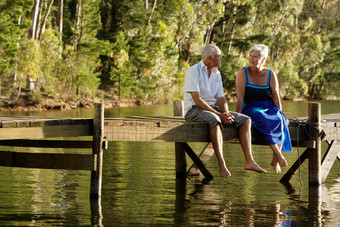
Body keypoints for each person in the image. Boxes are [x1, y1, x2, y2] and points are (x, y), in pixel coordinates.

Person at [183, 44, 266, 178]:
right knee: (214, 119)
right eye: (219, 56)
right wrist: (219, 115)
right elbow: (197, 101)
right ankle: (222, 164)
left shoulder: (217, 73)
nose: (221, 58)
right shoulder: (193, 71)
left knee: (245, 120)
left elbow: (221, 99)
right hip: (193, 110)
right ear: (209, 58)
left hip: (211, 109)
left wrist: (226, 114)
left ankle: (249, 161)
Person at [235, 44, 292, 173]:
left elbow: (276, 96)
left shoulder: (270, 74)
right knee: (262, 117)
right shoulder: (243, 72)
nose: (251, 59)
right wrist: (237, 116)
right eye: (250, 56)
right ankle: (279, 155)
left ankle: (275, 160)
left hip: (268, 106)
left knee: (279, 119)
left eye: (255, 57)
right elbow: (240, 98)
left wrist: (280, 111)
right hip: (251, 107)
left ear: (263, 59)